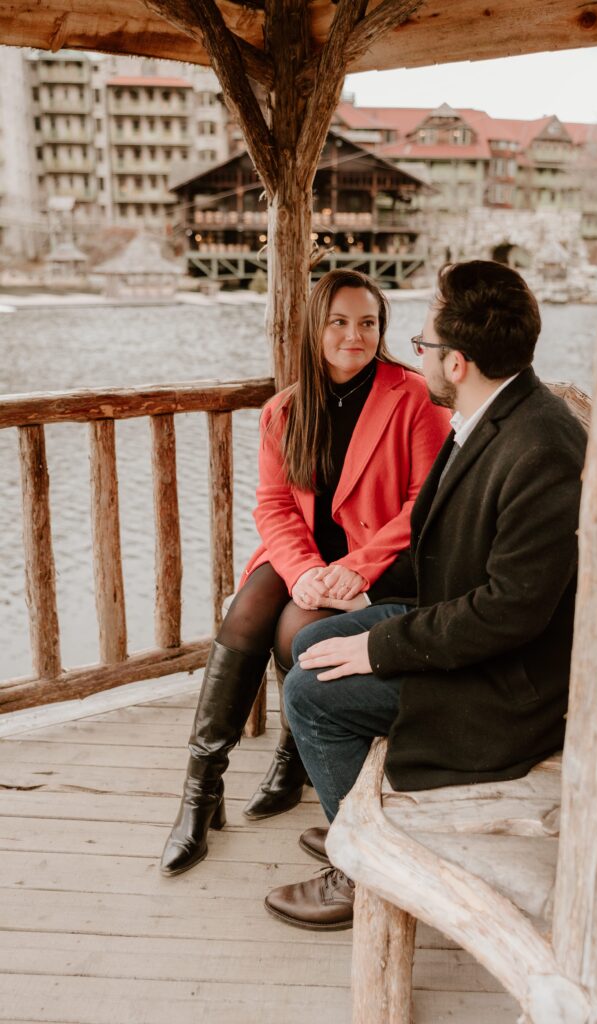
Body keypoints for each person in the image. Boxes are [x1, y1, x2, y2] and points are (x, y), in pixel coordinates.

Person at [264, 260, 588, 929]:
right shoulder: (489, 415)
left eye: (424, 345)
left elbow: (510, 611)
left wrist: (381, 647)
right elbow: (439, 544)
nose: (418, 356)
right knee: (314, 640)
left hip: (511, 683)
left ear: (458, 362)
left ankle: (364, 868)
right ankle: (363, 819)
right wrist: (359, 593)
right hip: (466, 627)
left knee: (309, 692)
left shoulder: (541, 446)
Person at [160, 269, 451, 876]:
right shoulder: (284, 410)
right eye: (339, 322)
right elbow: (273, 505)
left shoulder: (415, 397)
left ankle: (296, 755)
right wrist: (301, 571)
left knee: (296, 631)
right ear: (315, 328)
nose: (355, 335)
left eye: (368, 323)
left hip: (380, 561)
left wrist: (351, 568)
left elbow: (425, 503)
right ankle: (201, 789)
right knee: (246, 612)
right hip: (303, 556)